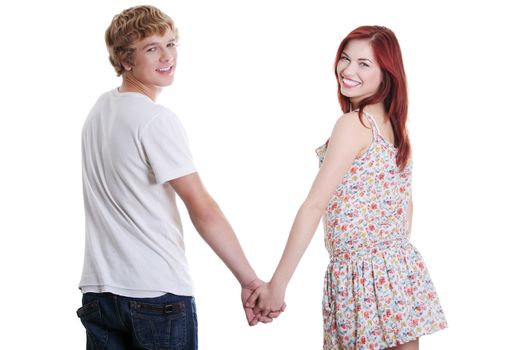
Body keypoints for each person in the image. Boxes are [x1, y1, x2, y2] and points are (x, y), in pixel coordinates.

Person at [76, 5, 280, 349]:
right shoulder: (154, 120)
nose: (167, 56)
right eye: (151, 48)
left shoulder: (99, 110)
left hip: (100, 294)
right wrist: (248, 279)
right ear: (126, 60)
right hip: (155, 297)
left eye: (171, 44)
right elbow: (203, 208)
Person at [247, 26, 447, 349]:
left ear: (387, 73)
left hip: (364, 281)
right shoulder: (396, 129)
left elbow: (314, 206)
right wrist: (385, 256)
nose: (347, 70)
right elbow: (405, 206)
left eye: (364, 64)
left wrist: (277, 284)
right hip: (398, 272)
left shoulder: (353, 125)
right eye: (345, 58)